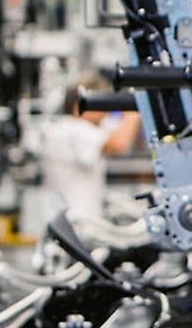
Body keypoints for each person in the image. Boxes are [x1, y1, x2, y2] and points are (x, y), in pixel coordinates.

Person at [35, 72, 142, 227]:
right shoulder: (71, 129)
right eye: (101, 105)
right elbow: (118, 144)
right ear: (80, 105)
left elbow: (117, 131)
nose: (105, 112)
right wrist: (134, 107)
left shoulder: (79, 128)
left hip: (75, 222)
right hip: (74, 223)